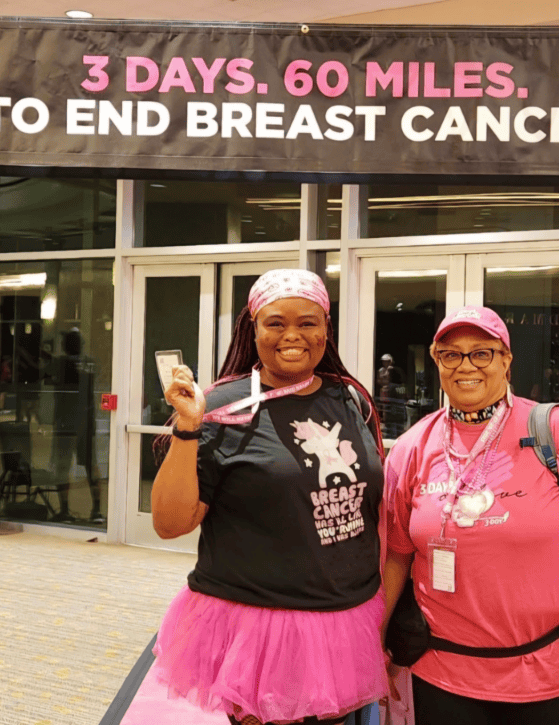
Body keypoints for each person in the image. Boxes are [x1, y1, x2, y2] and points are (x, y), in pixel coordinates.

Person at [149, 269, 387, 725]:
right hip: (260, 628)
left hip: (346, 618)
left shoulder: (351, 398)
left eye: (308, 322)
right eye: (276, 322)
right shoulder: (220, 405)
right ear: (252, 328)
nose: (292, 335)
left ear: (326, 330)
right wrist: (188, 427)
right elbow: (170, 522)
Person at [382, 305, 559, 725]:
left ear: (506, 361)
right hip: (441, 672)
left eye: (481, 352)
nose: (467, 365)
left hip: (551, 671)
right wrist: (373, 640)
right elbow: (396, 555)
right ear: (437, 361)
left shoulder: (557, 432)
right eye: (451, 354)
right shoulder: (412, 446)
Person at [50, 328, 103, 524]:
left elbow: (44, 372)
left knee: (63, 467)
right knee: (91, 465)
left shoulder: (60, 363)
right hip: (87, 420)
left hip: (66, 421)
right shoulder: (90, 363)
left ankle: (64, 510)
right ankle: (97, 510)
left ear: (66, 345)